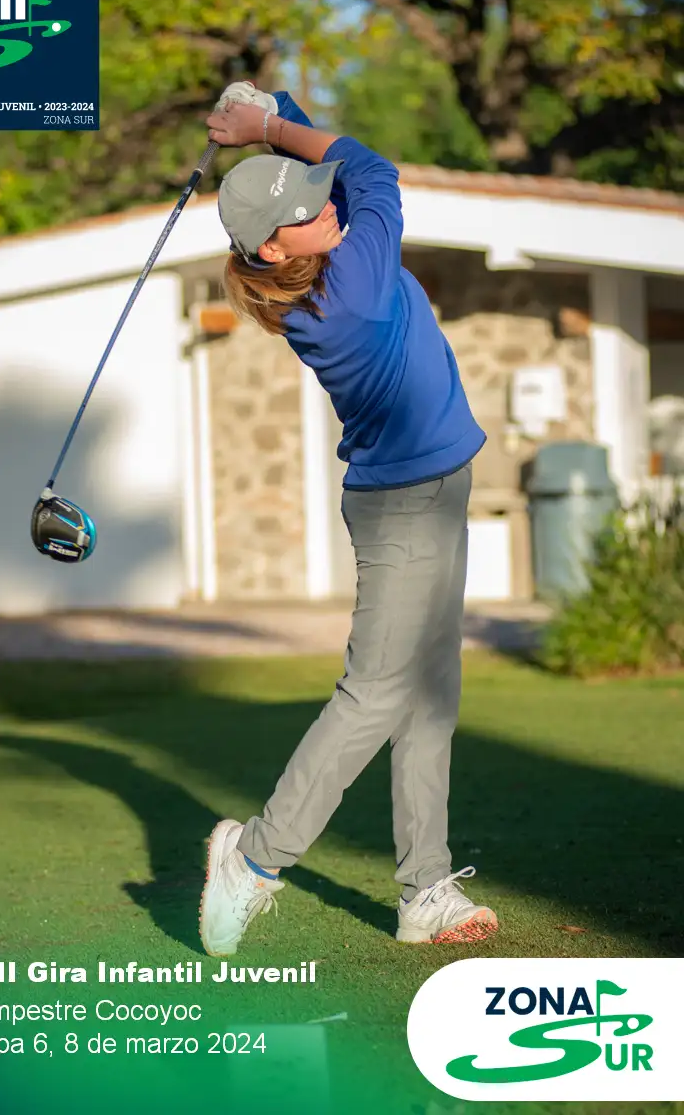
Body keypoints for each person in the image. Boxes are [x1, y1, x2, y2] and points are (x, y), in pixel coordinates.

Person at [198, 82, 498, 956]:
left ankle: (425, 891)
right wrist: (268, 124)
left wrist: (273, 115)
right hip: (408, 509)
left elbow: (332, 175)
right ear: (271, 246)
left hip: (429, 492)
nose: (325, 206)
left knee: (430, 696)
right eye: (304, 211)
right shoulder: (356, 281)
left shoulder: (312, 276)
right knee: (375, 695)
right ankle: (254, 859)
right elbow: (370, 168)